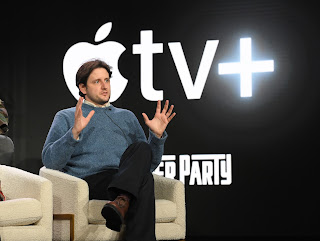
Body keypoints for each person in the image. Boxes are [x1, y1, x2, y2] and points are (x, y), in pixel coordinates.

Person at [42, 59, 176, 241]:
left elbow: (148, 164)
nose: (104, 86)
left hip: (121, 178)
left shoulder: (126, 117)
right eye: (97, 82)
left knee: (143, 155)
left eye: (107, 80)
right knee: (144, 182)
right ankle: (124, 199)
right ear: (83, 88)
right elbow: (50, 162)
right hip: (89, 182)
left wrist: (156, 137)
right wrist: (74, 133)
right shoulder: (67, 116)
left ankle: (121, 201)